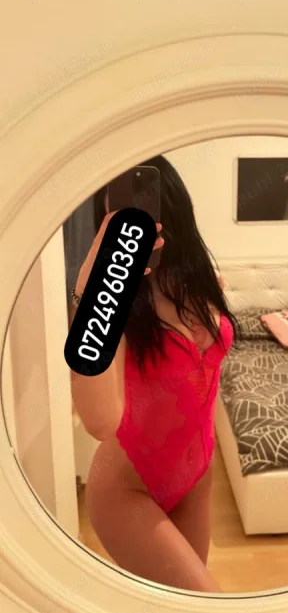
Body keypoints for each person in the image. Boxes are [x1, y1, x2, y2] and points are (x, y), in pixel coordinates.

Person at [69, 155, 238, 593]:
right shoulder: (116, 306)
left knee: (180, 605)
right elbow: (100, 421)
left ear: (171, 206)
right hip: (128, 489)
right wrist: (96, 291)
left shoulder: (204, 283)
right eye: (116, 218)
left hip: (197, 478)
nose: (133, 228)